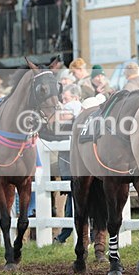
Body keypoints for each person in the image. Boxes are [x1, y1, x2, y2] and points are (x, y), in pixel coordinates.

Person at [54, 84, 83, 244]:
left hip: (73, 164)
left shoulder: (75, 107)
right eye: (63, 99)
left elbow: (60, 117)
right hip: (69, 163)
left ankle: (64, 235)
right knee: (73, 200)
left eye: (66, 98)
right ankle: (65, 235)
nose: (64, 102)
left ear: (76, 98)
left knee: (75, 200)